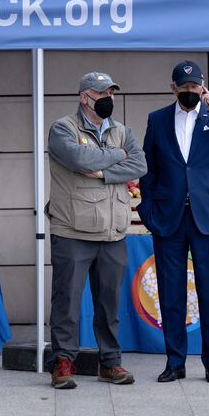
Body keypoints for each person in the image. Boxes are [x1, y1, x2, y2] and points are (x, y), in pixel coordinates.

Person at [137, 60, 209, 384]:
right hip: (169, 219)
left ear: (203, 87)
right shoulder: (157, 120)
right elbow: (149, 169)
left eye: (195, 87)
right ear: (173, 88)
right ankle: (175, 362)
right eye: (184, 87)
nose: (190, 92)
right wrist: (147, 211)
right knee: (170, 293)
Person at [46, 71, 147, 389]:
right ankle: (63, 363)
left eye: (111, 94)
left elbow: (140, 164)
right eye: (100, 94)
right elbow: (78, 157)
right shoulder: (63, 128)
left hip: (113, 232)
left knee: (109, 304)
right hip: (73, 231)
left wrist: (101, 171)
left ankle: (110, 363)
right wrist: (118, 158)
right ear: (83, 97)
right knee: (67, 302)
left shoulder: (122, 131)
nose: (107, 100)